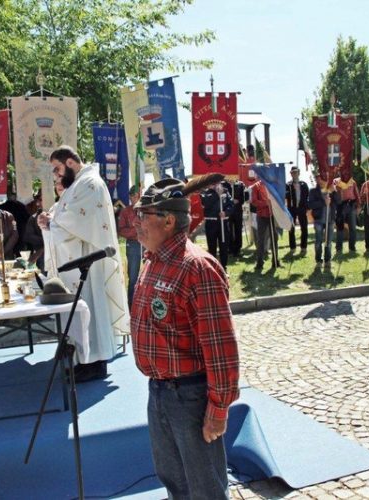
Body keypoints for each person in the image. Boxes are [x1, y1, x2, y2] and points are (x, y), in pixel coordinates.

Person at [130, 177, 239, 500]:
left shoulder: (197, 268)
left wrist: (218, 409)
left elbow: (221, 348)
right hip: (160, 391)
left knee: (204, 488)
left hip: (190, 396)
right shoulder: (153, 261)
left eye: (143, 215)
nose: (136, 224)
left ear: (168, 220)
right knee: (174, 481)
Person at [38, 145, 130, 382]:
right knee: (81, 311)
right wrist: (50, 221)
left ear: (70, 162)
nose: (56, 175)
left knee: (90, 308)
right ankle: (83, 359)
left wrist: (53, 224)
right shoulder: (77, 184)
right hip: (77, 261)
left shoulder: (90, 184)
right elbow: (64, 215)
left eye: (57, 168)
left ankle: (95, 363)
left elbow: (76, 220)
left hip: (88, 262)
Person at [200, 182, 234, 271]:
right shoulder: (206, 193)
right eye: (214, 183)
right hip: (211, 223)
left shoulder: (225, 192)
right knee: (212, 246)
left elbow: (231, 205)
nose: (216, 185)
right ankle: (212, 268)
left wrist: (226, 212)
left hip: (223, 223)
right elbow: (206, 203)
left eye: (218, 182)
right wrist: (217, 194)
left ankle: (223, 267)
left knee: (224, 245)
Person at [117, 185, 142, 304]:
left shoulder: (146, 210)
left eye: (136, 197)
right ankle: (131, 305)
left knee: (149, 275)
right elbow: (121, 230)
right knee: (133, 278)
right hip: (133, 245)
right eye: (131, 197)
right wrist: (136, 231)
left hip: (148, 244)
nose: (133, 199)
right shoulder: (125, 211)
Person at [308, 183, 338, 269]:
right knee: (318, 242)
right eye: (319, 177)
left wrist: (334, 191)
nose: (321, 179)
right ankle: (318, 261)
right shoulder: (313, 191)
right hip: (318, 220)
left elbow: (339, 201)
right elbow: (310, 205)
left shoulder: (331, 189)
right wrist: (323, 202)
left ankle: (327, 261)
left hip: (330, 220)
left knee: (328, 242)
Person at [249, 178, 274, 271]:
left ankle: (275, 261)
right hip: (261, 216)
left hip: (272, 215)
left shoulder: (272, 184)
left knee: (274, 238)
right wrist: (265, 203)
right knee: (260, 239)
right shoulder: (256, 186)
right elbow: (254, 202)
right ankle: (260, 262)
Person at [333, 172, 360, 253]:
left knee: (353, 228)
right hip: (341, 206)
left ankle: (352, 248)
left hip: (351, 206)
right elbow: (333, 192)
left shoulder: (352, 182)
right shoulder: (336, 181)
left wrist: (359, 206)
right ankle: (339, 249)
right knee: (340, 228)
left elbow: (356, 194)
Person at [286, 166, 309, 252]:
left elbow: (307, 196)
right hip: (292, 209)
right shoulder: (288, 185)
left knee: (304, 228)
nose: (294, 174)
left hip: (302, 208)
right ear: (291, 174)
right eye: (293, 172)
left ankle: (304, 247)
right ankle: (292, 247)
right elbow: (285, 195)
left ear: (299, 173)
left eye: (296, 172)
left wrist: (306, 206)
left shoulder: (304, 184)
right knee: (291, 228)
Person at [228, 178, 247, 257]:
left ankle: (237, 249)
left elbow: (245, 197)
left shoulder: (241, 184)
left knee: (238, 230)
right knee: (229, 230)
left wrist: (238, 200)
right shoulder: (224, 185)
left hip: (238, 211)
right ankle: (230, 249)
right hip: (228, 211)